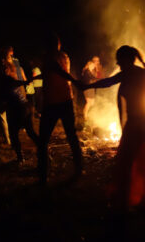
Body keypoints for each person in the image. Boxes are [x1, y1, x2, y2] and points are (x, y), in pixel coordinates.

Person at [84, 45, 145, 210]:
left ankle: (130, 202)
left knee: (130, 164)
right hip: (141, 124)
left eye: (120, 59)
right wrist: (88, 86)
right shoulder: (134, 73)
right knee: (137, 164)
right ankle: (142, 199)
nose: (118, 63)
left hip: (140, 125)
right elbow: (109, 82)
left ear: (127, 59)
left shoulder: (133, 73)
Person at [37, 33, 83, 184]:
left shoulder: (48, 58)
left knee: (43, 140)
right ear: (58, 44)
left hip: (53, 103)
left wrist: (75, 81)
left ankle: (43, 175)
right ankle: (79, 168)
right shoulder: (64, 56)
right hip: (65, 100)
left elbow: (57, 71)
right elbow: (54, 73)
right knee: (71, 136)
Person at [0, 47, 39, 163]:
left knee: (13, 132)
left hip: (16, 105)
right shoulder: (19, 68)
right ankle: (43, 150)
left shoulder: (6, 69)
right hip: (24, 104)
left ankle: (20, 157)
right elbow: (26, 82)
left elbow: (12, 83)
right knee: (30, 131)